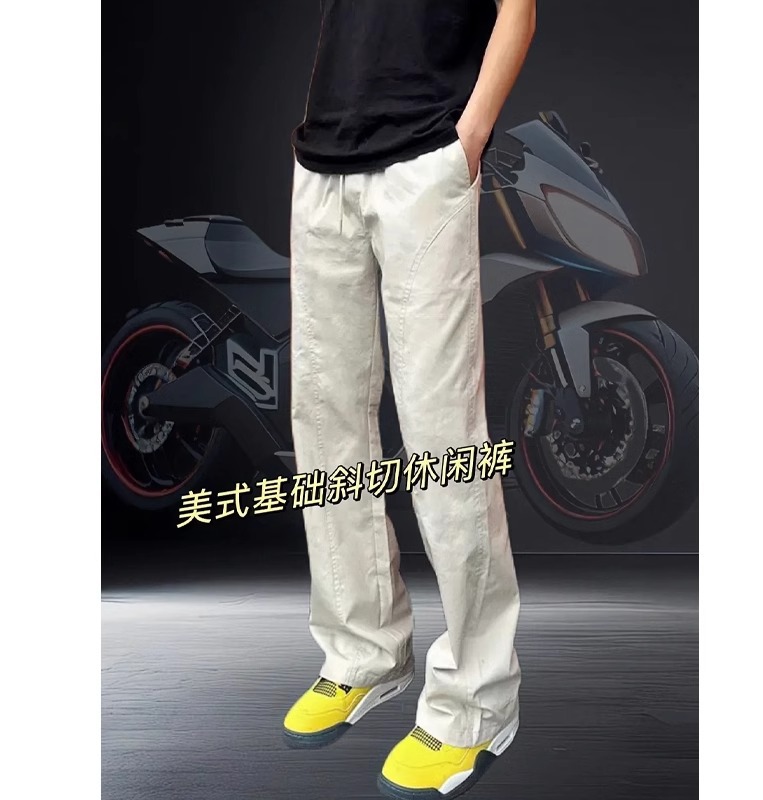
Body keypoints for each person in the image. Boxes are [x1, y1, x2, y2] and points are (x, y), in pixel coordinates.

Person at [283, 1, 537, 796]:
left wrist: (470, 137)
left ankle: (479, 701)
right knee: (325, 422)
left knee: (443, 436)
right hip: (324, 160)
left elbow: (518, 9)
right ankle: (363, 651)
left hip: (425, 160)